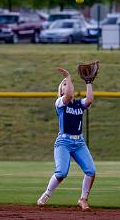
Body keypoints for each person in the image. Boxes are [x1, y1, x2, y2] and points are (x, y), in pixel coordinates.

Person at [37, 67, 96, 211]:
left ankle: (83, 199)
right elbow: (69, 95)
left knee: (91, 171)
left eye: (68, 83)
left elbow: (89, 100)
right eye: (63, 84)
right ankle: (47, 194)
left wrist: (89, 82)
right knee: (62, 173)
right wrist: (68, 76)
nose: (67, 84)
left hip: (79, 142)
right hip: (64, 142)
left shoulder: (78, 104)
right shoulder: (60, 103)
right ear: (61, 91)